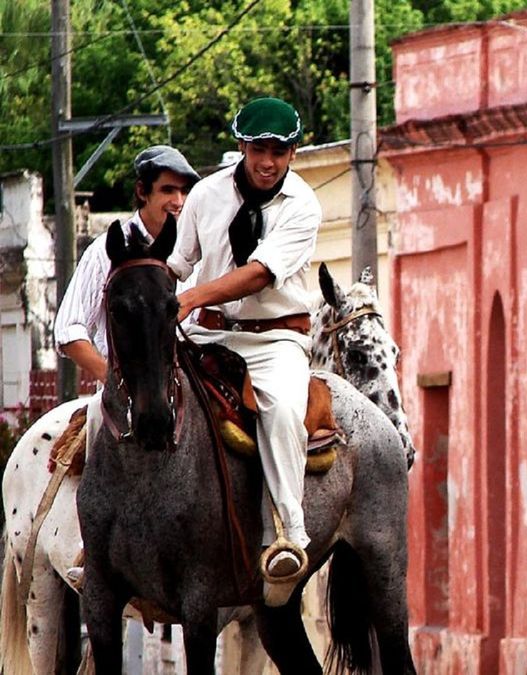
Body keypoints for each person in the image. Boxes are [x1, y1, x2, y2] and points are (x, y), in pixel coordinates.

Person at [167, 97, 320, 586]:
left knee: (278, 410)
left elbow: (258, 275)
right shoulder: (205, 196)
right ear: (241, 146)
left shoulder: (304, 206)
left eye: (279, 150)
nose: (268, 162)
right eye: (259, 149)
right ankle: (99, 532)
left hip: (276, 339)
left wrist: (191, 296)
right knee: (140, 392)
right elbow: (175, 263)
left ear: (293, 153)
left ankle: (289, 535)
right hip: (206, 330)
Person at [55, 145, 201, 383]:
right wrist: (114, 382)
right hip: (124, 399)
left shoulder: (198, 247)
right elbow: (69, 330)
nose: (179, 201)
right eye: (168, 190)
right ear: (143, 191)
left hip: (191, 389)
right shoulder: (105, 251)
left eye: (185, 192)